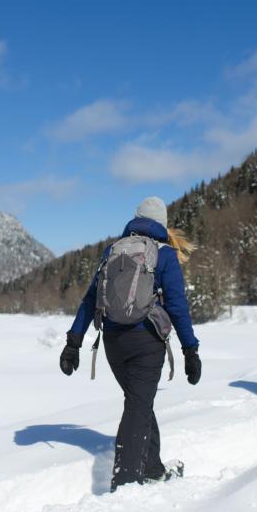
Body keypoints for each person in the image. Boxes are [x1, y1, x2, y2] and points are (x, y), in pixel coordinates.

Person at [59, 196, 201, 491]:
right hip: (146, 340)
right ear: (162, 224)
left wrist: (74, 341)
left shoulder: (114, 250)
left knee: (139, 402)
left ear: (135, 219)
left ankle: (151, 468)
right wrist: (190, 349)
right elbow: (177, 306)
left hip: (112, 342)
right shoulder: (164, 254)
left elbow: (90, 298)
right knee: (138, 406)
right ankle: (125, 483)